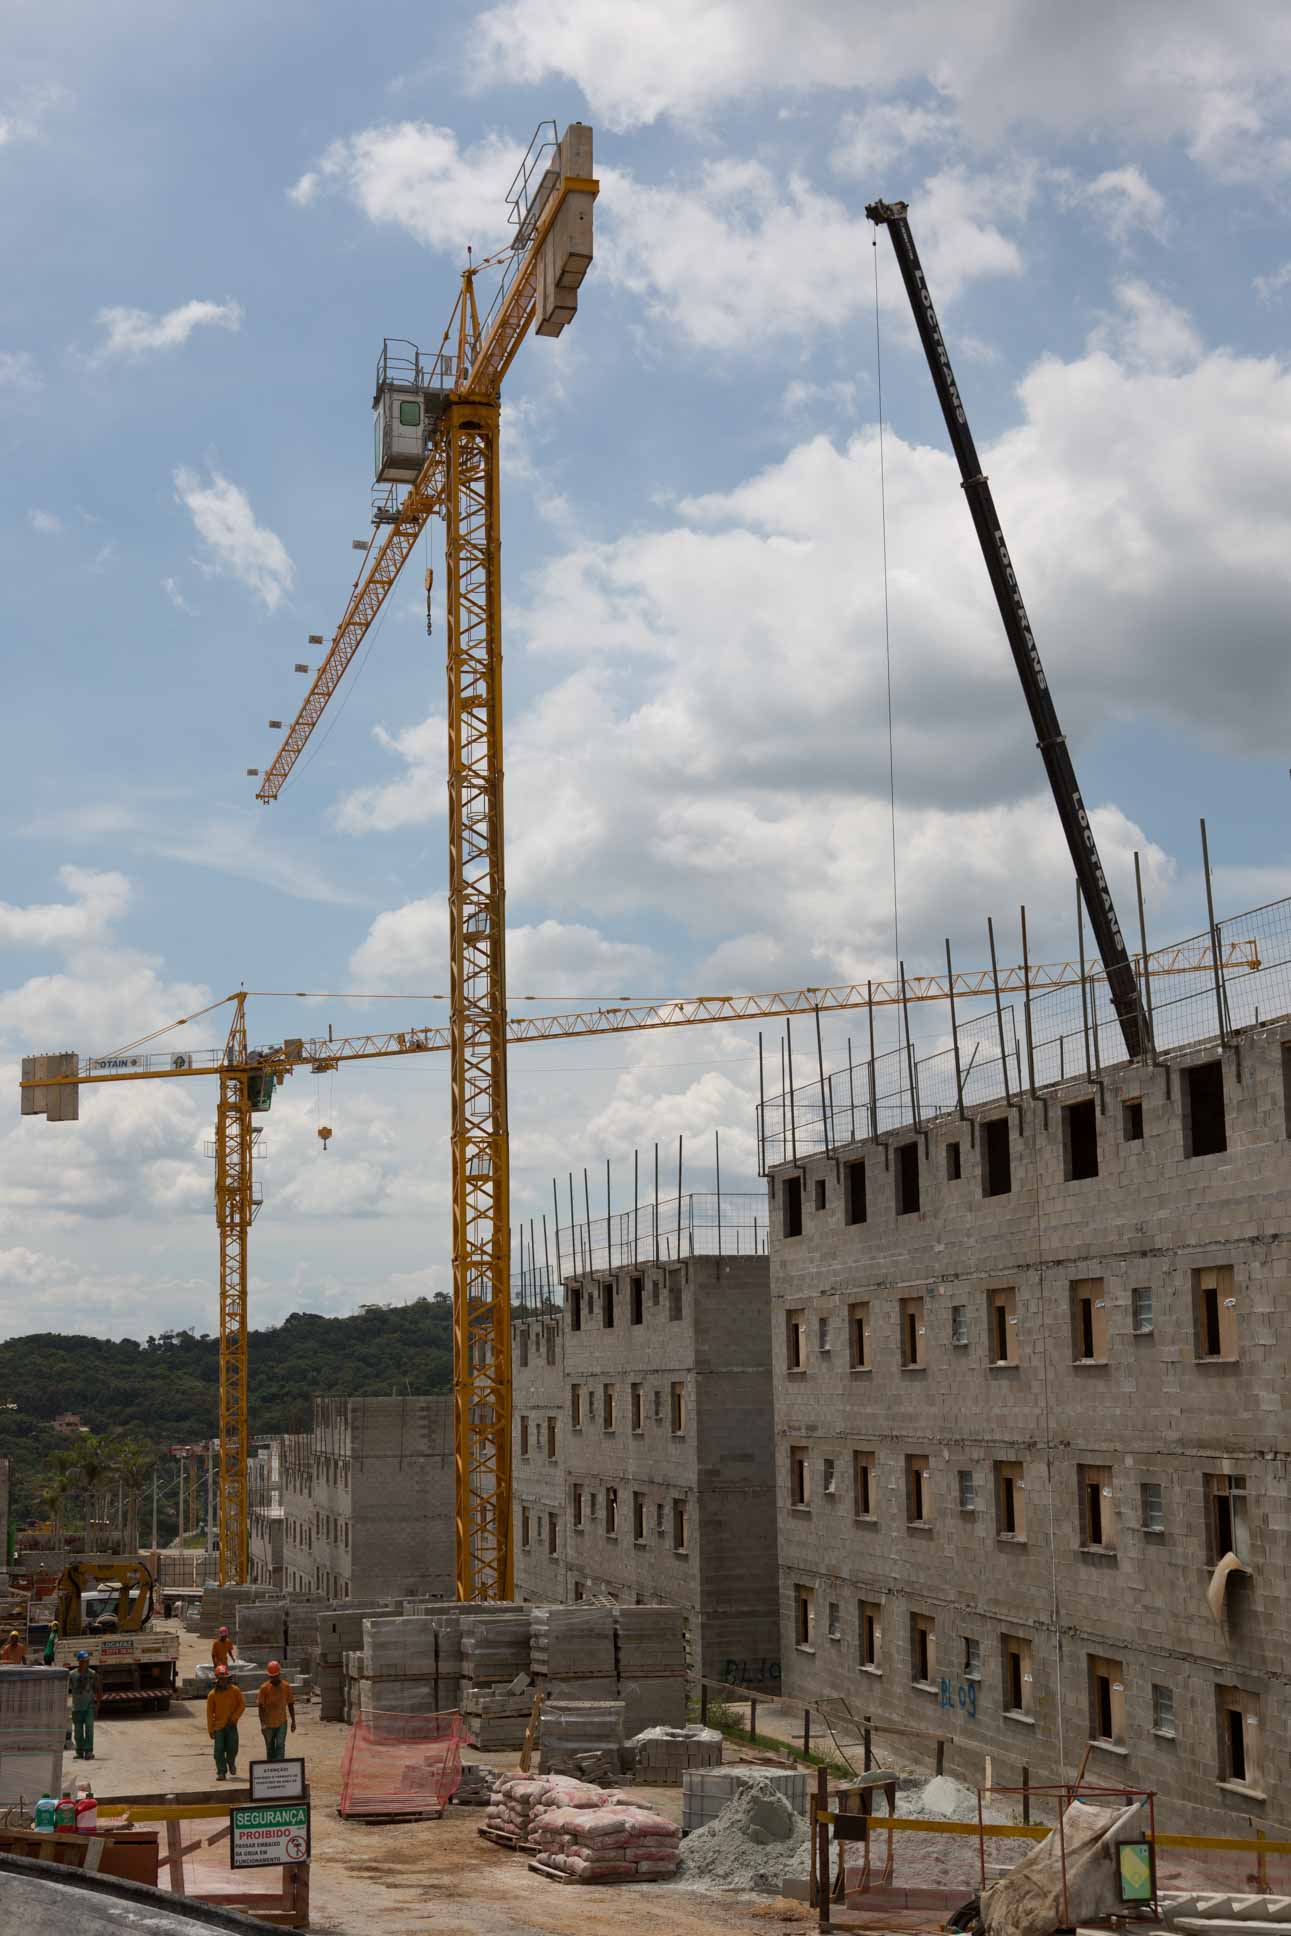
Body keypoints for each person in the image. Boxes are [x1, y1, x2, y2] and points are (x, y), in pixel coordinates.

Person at [206, 1663, 245, 1781]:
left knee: (233, 1748)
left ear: (228, 1679)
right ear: (217, 1679)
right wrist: (211, 1729)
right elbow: (209, 1714)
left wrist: (234, 1718)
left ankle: (231, 1762)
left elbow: (241, 1705)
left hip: (231, 1725)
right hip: (218, 1727)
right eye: (221, 1679)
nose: (223, 1681)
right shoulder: (212, 1695)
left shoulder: (235, 1691)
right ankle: (221, 1772)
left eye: (225, 1679)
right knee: (218, 1750)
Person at [256, 1660, 296, 1763]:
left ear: (279, 1674)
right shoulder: (264, 1688)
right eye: (271, 1676)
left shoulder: (286, 1687)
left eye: (275, 1676)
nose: (274, 1678)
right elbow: (260, 1707)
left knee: (280, 1745)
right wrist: (263, 1724)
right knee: (270, 1747)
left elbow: (290, 1703)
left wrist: (293, 1721)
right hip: (268, 1724)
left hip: (282, 1722)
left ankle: (280, 1766)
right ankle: (271, 1767)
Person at [68, 1651, 99, 1760]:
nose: (87, 1663)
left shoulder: (92, 1674)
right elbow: (68, 1689)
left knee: (89, 1728)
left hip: (88, 1706)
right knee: (78, 1731)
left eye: (87, 1661)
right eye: (84, 1661)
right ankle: (80, 1751)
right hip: (77, 1707)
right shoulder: (72, 1675)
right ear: (79, 1662)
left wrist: (98, 1702)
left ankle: (89, 1751)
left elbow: (98, 1687)